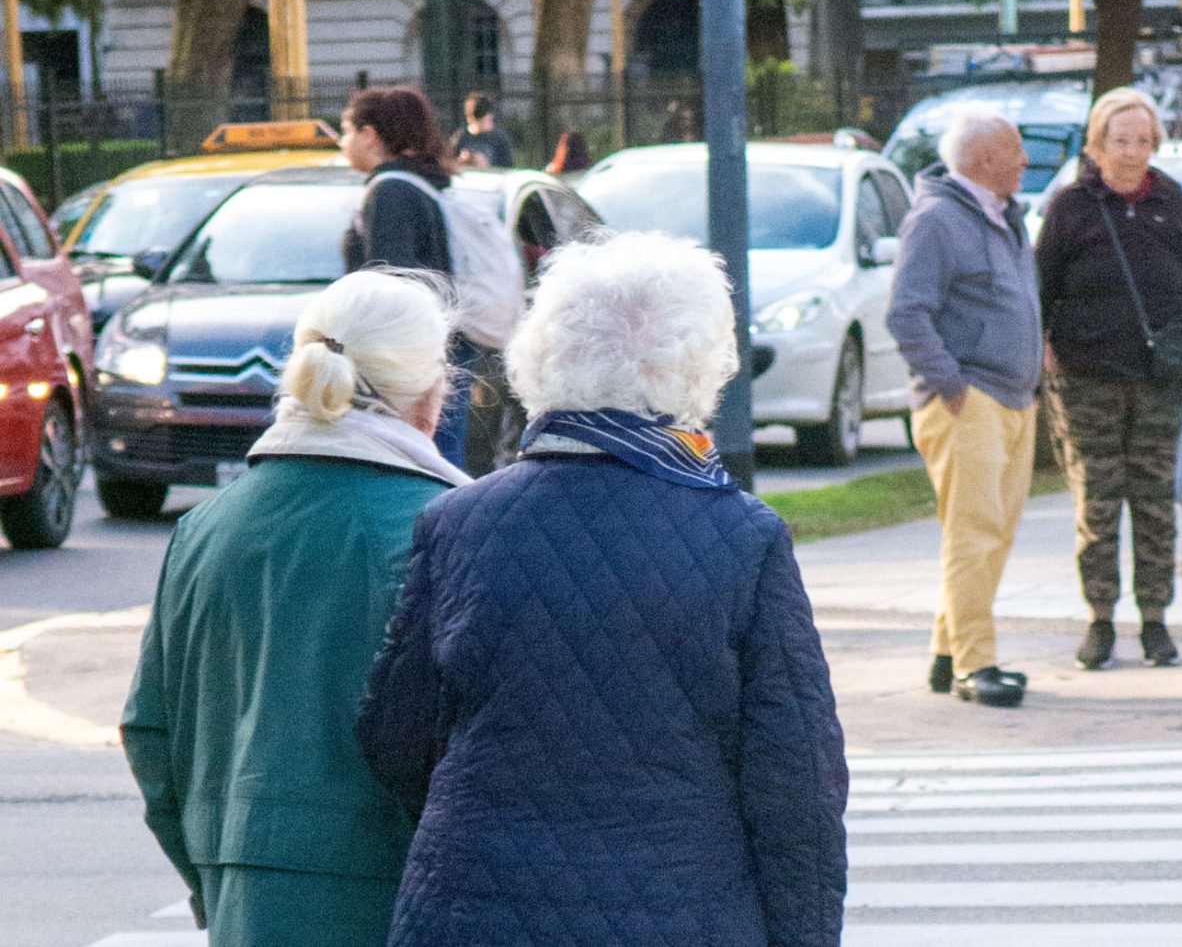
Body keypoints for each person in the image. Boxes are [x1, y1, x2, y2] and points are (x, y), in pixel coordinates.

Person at [356, 231, 848, 946]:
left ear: (543, 355)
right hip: (681, 909)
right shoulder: (744, 538)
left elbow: (395, 739)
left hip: (474, 909)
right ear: (700, 367)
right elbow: (797, 781)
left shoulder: (456, 523)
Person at [121, 271, 470, 947]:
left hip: (240, 888)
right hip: (395, 893)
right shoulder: (442, 530)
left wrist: (215, 869)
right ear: (432, 393)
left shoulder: (204, 528)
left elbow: (149, 730)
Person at [1035, 87, 1182, 670]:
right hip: (1085, 376)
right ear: (1097, 144)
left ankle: (1156, 620)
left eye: (1144, 141)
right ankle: (1099, 619)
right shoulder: (1070, 206)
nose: (1133, 152)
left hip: (1160, 375)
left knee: (1154, 501)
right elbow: (1042, 285)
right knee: (1097, 503)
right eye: (1121, 141)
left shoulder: (1170, 198)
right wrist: (1040, 346)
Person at [886, 111, 1042, 708]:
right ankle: (977, 666)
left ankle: (947, 654)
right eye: (1016, 149)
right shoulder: (936, 220)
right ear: (983, 160)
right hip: (968, 400)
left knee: (993, 534)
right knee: (972, 535)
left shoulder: (1004, 215)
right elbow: (906, 313)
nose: (1025, 160)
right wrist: (950, 384)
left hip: (1013, 397)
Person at [340, 85, 476, 468]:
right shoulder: (425, 182)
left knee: (411, 468)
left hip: (403, 363)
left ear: (370, 135)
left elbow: (389, 284)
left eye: (348, 131)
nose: (343, 142)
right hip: (442, 350)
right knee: (440, 465)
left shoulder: (390, 192)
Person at [451, 92, 515, 169]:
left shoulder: (499, 138)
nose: (490, 121)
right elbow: (448, 165)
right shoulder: (460, 137)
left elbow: (507, 169)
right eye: (486, 120)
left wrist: (486, 165)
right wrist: (462, 161)